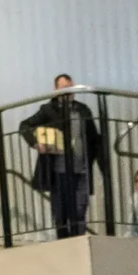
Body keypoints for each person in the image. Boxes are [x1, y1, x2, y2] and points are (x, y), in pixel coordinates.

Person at [20, 75, 100, 239]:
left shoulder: (82, 109)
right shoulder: (49, 110)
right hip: (59, 172)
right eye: (64, 88)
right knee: (61, 214)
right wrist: (36, 143)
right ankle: (64, 244)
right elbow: (24, 126)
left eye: (70, 88)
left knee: (80, 211)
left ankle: (78, 244)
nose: (68, 92)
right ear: (56, 90)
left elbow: (93, 138)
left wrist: (96, 160)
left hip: (81, 170)